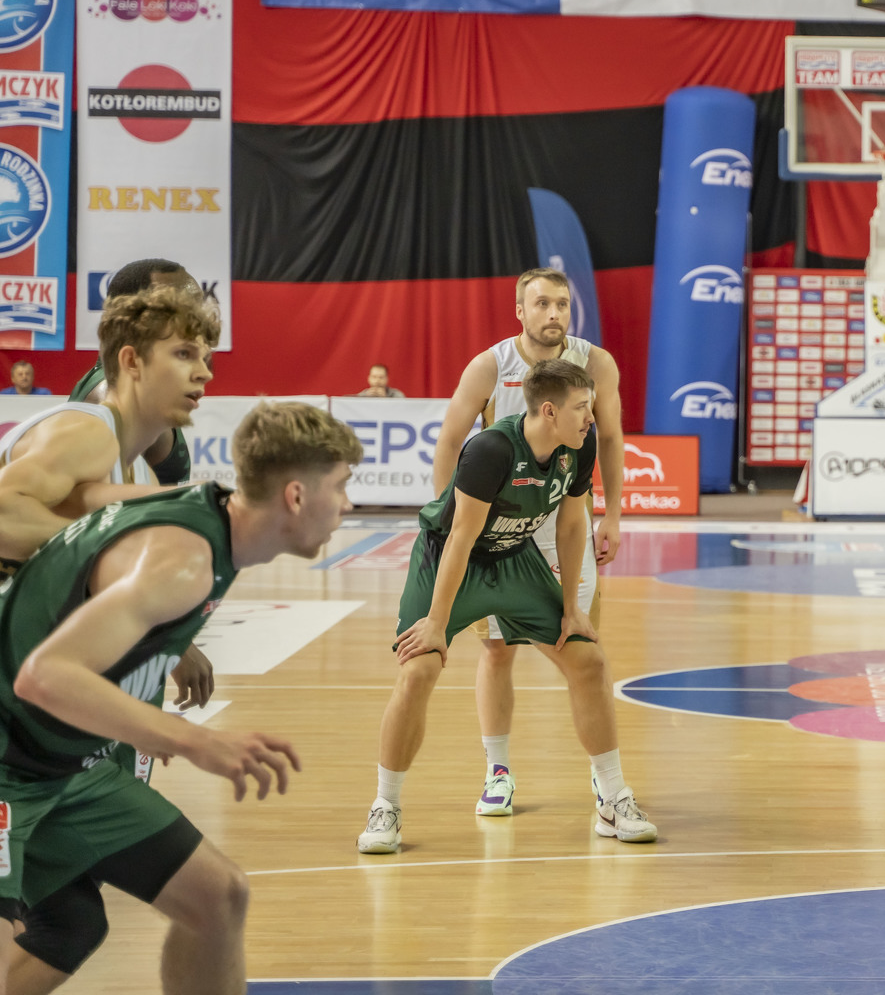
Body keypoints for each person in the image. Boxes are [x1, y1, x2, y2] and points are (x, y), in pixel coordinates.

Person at [0, 400, 361, 995]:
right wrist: (194, 741)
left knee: (217, 897)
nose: (348, 504)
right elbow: (44, 676)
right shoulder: (185, 563)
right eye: (341, 486)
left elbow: (87, 499)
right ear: (295, 496)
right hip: (9, 761)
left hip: (62, 765)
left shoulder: (207, 511)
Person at [0, 284, 220, 992]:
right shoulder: (89, 429)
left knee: (69, 925)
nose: (203, 371)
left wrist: (166, 640)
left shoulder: (135, 463)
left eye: (207, 356)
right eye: (184, 354)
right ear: (130, 361)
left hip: (27, 714)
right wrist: (107, 556)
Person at [358, 359, 654, 854]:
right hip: (451, 560)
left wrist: (571, 608)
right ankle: (385, 805)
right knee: (419, 669)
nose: (591, 417)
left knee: (587, 660)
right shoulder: (491, 449)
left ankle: (613, 797)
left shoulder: (578, 446)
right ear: (548, 411)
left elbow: (571, 526)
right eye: (582, 407)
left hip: (515, 556)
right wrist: (436, 624)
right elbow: (460, 538)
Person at [431, 267, 624, 817]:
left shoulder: (596, 363)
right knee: (496, 650)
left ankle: (604, 780)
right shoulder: (491, 366)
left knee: (582, 650)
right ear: (520, 311)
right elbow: (450, 440)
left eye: (562, 303)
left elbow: (611, 437)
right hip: (499, 529)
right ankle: (497, 771)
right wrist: (446, 518)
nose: (554, 313)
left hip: (565, 521)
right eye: (541, 303)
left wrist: (613, 515)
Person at [70, 258, 203, 487]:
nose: (199, 320)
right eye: (186, 309)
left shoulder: (135, 384)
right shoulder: (113, 394)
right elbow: (94, 502)